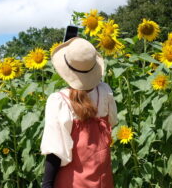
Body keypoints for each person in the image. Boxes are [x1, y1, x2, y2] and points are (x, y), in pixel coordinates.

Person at [40, 37, 118, 188]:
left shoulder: (59, 101)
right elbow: (112, 123)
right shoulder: (104, 92)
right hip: (103, 179)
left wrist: (46, 185)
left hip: (72, 182)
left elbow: (56, 150)